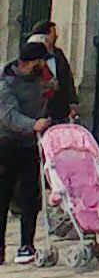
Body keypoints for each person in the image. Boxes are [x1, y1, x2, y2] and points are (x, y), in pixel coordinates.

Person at [0, 42, 57, 265]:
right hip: (7, 145)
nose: (43, 66)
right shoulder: (6, 84)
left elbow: (52, 89)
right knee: (3, 197)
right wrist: (34, 124)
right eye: (40, 62)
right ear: (30, 63)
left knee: (30, 197)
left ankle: (27, 245)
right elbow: (9, 116)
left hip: (30, 146)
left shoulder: (39, 80)